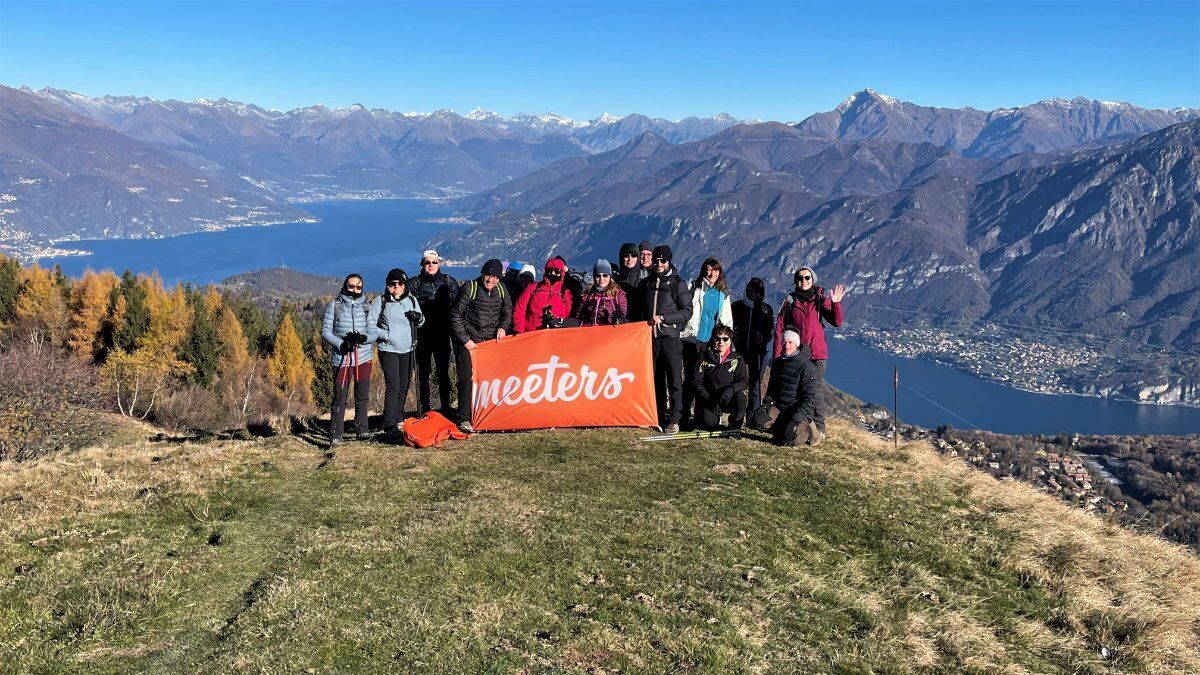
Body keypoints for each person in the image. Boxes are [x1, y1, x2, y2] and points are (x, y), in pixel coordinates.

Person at [774, 266, 845, 440]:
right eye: (800, 278)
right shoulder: (789, 301)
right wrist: (778, 355)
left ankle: (819, 429)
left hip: (817, 355)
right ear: (795, 280)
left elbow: (836, 322)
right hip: (797, 355)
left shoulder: (820, 299)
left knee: (814, 393)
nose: (803, 281)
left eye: (807, 278)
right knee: (798, 393)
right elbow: (780, 329)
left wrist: (835, 303)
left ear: (813, 280)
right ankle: (801, 427)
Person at [449, 258, 512, 432]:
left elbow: (507, 311)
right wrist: (465, 340)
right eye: (488, 275)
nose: (491, 279)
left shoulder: (501, 290)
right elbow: (455, 314)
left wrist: (502, 328)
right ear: (482, 274)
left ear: (499, 278)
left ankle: (486, 415)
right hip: (468, 341)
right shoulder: (470, 288)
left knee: (490, 379)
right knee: (466, 379)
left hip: (489, 343)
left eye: (495, 277)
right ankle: (464, 418)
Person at [636, 245, 692, 434]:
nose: (659, 264)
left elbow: (687, 312)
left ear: (669, 261)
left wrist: (664, 318)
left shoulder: (677, 284)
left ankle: (674, 419)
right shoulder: (646, 283)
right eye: (657, 260)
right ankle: (658, 416)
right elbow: (639, 310)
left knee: (674, 380)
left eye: (663, 260)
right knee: (655, 379)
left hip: (670, 338)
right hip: (649, 339)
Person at [321, 273, 380, 446]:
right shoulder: (335, 305)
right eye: (351, 286)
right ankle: (336, 433)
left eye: (358, 287)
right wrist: (341, 344)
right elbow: (325, 332)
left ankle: (362, 430)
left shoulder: (367, 306)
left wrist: (363, 338)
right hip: (342, 358)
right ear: (345, 286)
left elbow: (373, 333)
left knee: (362, 395)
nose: (355, 290)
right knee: (340, 396)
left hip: (363, 358)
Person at [370, 268, 425, 441]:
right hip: (388, 349)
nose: (396, 286)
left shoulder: (411, 300)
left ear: (405, 284)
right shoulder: (381, 301)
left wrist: (418, 317)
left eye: (400, 283)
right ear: (387, 285)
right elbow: (370, 325)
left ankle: (399, 418)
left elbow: (422, 321)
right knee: (393, 385)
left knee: (404, 385)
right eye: (392, 284)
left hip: (407, 348)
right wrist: (387, 335)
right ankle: (389, 424)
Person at [681, 257, 734, 423]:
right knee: (690, 377)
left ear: (720, 272)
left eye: (715, 270)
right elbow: (685, 308)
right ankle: (683, 413)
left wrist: (726, 342)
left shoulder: (722, 293)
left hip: (710, 343)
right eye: (709, 270)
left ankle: (701, 413)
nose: (712, 273)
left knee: (705, 379)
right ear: (704, 271)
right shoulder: (694, 287)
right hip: (691, 339)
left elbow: (726, 320)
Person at [409, 249, 458, 415]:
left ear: (439, 263)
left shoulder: (449, 282)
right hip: (421, 336)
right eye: (427, 262)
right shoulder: (414, 283)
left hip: (442, 335)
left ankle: (445, 408)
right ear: (422, 264)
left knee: (443, 374)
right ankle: (425, 410)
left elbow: (458, 308)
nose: (431, 265)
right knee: (423, 375)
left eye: (434, 262)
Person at [759, 330, 823, 446]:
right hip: (780, 408)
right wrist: (767, 402)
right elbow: (772, 389)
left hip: (798, 411)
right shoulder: (778, 363)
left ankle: (810, 432)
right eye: (784, 342)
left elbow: (811, 400)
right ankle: (782, 429)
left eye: (790, 342)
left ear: (796, 344)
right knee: (758, 421)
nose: (786, 346)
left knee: (789, 440)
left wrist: (795, 419)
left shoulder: (807, 367)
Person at [692, 324, 749, 430]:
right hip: (709, 398)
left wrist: (731, 390)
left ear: (730, 340)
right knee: (708, 424)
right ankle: (714, 420)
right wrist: (708, 398)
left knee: (741, 397)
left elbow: (743, 381)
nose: (721, 342)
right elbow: (696, 381)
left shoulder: (737, 358)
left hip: (728, 396)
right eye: (718, 339)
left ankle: (734, 427)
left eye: (725, 339)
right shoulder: (704, 357)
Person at [732, 277, 774, 412]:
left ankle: (752, 415)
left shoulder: (766, 309)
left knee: (755, 385)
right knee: (735, 382)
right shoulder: (736, 306)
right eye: (750, 290)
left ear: (762, 293)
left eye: (757, 292)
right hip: (738, 351)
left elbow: (770, 331)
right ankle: (736, 414)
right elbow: (728, 327)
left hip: (758, 352)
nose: (753, 294)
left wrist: (763, 339)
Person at [513, 257, 576, 332]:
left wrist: (556, 320)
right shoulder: (532, 288)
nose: (553, 273)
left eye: (557, 271)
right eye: (549, 270)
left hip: (555, 336)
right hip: (530, 334)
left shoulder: (565, 294)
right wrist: (519, 330)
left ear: (562, 273)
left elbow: (568, 318)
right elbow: (519, 309)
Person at [575, 259, 628, 326]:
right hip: (588, 331)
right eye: (598, 276)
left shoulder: (618, 295)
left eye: (605, 275)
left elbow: (624, 318)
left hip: (609, 331)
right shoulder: (587, 294)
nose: (601, 279)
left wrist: (618, 321)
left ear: (610, 277)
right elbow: (578, 317)